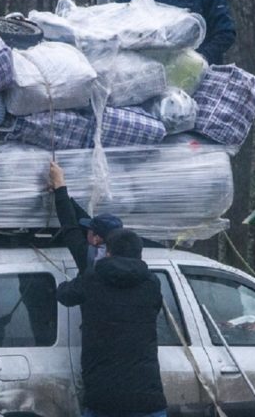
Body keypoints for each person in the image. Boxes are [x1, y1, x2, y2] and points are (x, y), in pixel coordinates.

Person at [56, 228, 167, 417]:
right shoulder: (152, 283)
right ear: (140, 254)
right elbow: (155, 309)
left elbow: (64, 295)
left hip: (102, 397)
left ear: (108, 252)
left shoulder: (92, 279)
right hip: (147, 397)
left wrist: (88, 268)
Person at [49, 160, 123, 273]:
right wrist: (60, 191)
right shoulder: (127, 255)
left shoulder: (92, 259)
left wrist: (59, 183)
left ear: (96, 239)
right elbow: (81, 218)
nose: (86, 229)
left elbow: (70, 226)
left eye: (89, 230)